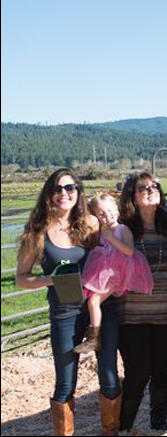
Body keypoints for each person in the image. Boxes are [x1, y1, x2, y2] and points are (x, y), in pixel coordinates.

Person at [16, 168, 122, 436]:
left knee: (109, 378)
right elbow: (21, 278)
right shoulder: (37, 233)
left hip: (100, 309)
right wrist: (51, 280)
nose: (64, 193)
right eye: (58, 189)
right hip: (64, 312)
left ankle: (110, 431)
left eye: (70, 188)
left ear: (78, 191)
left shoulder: (91, 225)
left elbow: (113, 253)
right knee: (65, 383)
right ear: (49, 194)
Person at [115, 172, 167, 432]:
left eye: (154, 186)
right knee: (136, 373)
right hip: (131, 314)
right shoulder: (123, 230)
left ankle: (159, 423)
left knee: (162, 372)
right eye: (142, 187)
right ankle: (124, 425)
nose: (150, 190)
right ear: (132, 196)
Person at [74, 194, 153, 354]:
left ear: (116, 211)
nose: (106, 215)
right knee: (89, 298)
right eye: (101, 213)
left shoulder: (122, 230)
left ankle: (93, 337)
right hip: (104, 271)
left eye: (109, 211)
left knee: (94, 301)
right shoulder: (101, 231)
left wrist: (111, 239)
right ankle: (91, 331)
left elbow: (129, 251)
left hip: (117, 273)